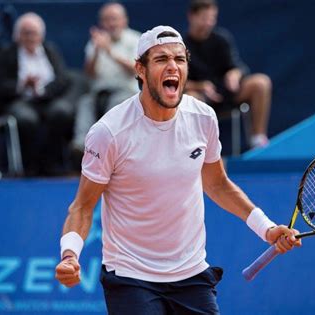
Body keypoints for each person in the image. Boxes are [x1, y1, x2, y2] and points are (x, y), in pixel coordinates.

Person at [55, 25, 301, 314]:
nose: (173, 66)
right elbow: (83, 207)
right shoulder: (109, 132)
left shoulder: (203, 117)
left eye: (180, 59)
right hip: (132, 277)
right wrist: (70, 254)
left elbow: (218, 184)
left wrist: (268, 229)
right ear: (140, 70)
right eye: (161, 60)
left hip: (192, 274)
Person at [0, 12, 73, 176]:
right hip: (19, 100)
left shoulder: (51, 51)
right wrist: (22, 85)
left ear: (41, 35)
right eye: (25, 33)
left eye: (33, 33)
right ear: (17, 35)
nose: (30, 37)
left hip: (48, 99)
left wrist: (42, 89)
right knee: (26, 118)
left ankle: (53, 163)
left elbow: (63, 79)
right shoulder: (6, 55)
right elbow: (0, 87)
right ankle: (31, 166)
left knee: (63, 112)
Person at [184, 0, 272, 149]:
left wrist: (234, 74)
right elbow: (179, 82)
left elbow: (238, 67)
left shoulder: (222, 39)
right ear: (191, 16)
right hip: (202, 97)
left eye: (212, 18)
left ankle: (258, 139)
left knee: (261, 83)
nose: (209, 23)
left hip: (228, 93)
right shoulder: (182, 45)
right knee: (190, 98)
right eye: (204, 18)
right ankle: (196, 147)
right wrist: (200, 86)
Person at [70, 2, 140, 163]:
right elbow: (89, 74)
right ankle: (81, 147)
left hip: (126, 93)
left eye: (114, 19)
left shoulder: (136, 39)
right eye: (106, 19)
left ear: (124, 20)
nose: (111, 23)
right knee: (85, 103)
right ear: (101, 22)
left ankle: (107, 148)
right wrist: (96, 51)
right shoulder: (96, 41)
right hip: (99, 93)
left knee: (116, 104)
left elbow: (137, 69)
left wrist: (110, 52)